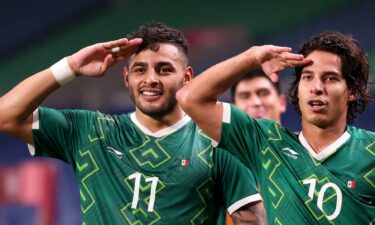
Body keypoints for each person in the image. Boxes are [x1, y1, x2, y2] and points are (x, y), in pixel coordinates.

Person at [0, 23, 266, 224]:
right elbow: (6, 115)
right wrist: (70, 67)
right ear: (126, 77)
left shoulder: (217, 143)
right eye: (140, 70)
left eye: (164, 69)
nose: (151, 79)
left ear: (187, 77)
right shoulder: (90, 132)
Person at [177, 31, 375, 224]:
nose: (316, 87)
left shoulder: (371, 152)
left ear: (352, 91)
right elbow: (190, 97)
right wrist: (252, 56)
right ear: (297, 90)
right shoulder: (266, 143)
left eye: (330, 78)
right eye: (307, 77)